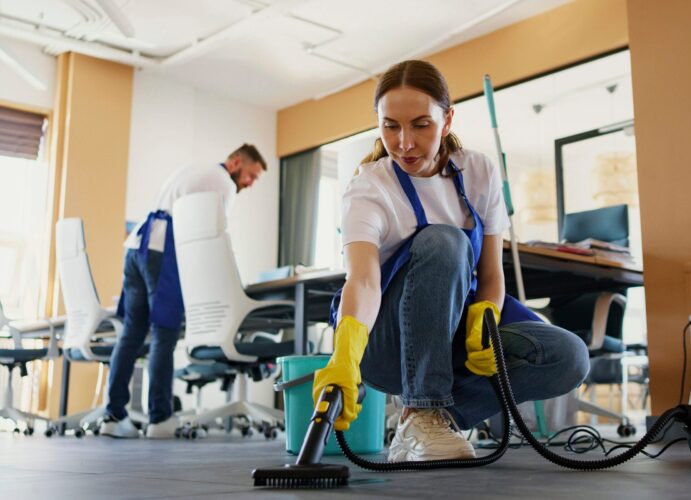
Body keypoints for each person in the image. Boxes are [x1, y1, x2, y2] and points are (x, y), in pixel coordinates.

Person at [312, 60, 590, 461]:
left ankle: (430, 420)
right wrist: (345, 354)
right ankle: (422, 410)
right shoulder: (369, 188)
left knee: (568, 356)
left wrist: (486, 315)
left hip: (453, 334)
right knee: (445, 241)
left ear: (447, 120)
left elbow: (492, 275)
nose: (404, 142)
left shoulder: (477, 172)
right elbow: (364, 281)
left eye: (420, 125)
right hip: (386, 344)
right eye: (390, 126)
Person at [100, 144, 267, 439]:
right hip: (163, 249)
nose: (249, 183)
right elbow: (214, 238)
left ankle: (113, 416)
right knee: (165, 332)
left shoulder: (193, 170)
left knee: (132, 332)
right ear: (237, 162)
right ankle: (160, 418)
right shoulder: (223, 183)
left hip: (137, 246)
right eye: (251, 175)